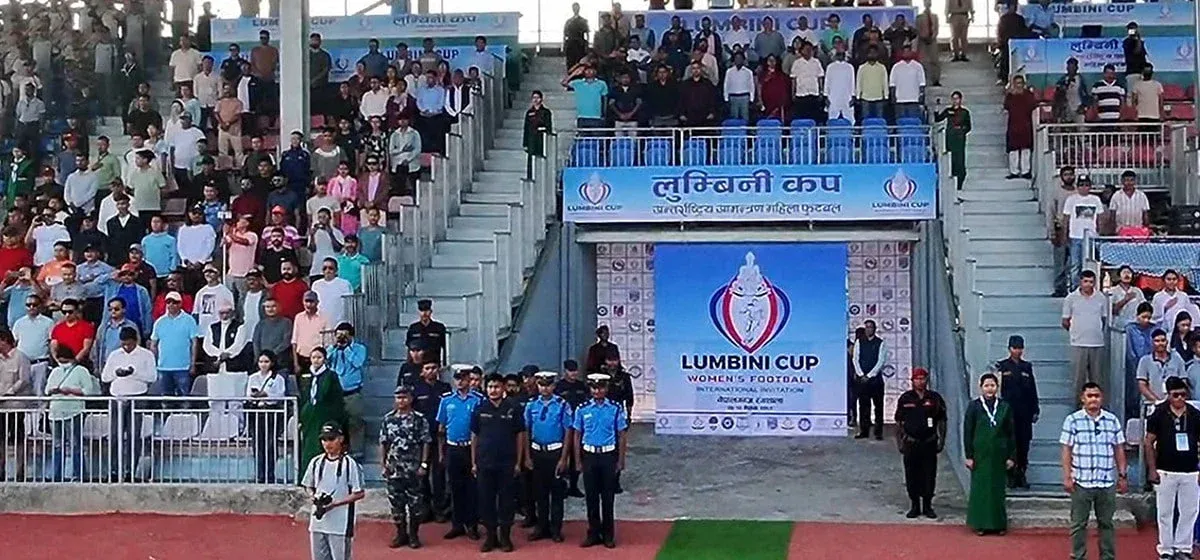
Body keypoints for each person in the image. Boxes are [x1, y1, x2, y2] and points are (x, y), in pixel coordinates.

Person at [1060, 382, 1127, 560]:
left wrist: (1122, 475)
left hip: (1105, 481)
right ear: (1082, 398)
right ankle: (1078, 556)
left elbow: (1119, 448)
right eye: (1089, 396)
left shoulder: (1112, 420)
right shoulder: (1072, 420)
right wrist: (1067, 476)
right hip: (1081, 481)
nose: (1093, 399)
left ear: (1101, 398)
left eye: (1096, 396)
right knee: (1078, 524)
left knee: (1107, 524)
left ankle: (1107, 556)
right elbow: (1066, 450)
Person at [1145, 377, 1200, 559]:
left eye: (1183, 395)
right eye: (1176, 395)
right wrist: (1152, 469)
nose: (1180, 398)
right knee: (1165, 512)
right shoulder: (1159, 413)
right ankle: (1166, 549)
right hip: (1165, 470)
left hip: (1191, 470)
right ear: (1168, 395)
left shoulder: (1194, 414)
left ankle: (1183, 547)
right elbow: (1148, 442)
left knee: (1189, 511)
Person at [470, 372, 526, 552]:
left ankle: (505, 537)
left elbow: (520, 435)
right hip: (485, 462)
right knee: (486, 501)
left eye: (496, 387)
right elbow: (474, 436)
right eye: (490, 387)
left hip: (506, 463)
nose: (493, 390)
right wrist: (473, 462)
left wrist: (518, 462)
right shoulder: (480, 408)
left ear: (503, 388)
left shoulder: (513, 408)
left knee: (506, 501)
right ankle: (490, 537)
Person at [574, 372, 627, 549]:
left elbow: (621, 435)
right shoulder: (582, 409)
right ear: (590, 389)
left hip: (608, 455)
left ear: (606, 388)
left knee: (608, 497)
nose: (597, 391)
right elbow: (577, 435)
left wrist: (620, 460)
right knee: (591, 497)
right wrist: (578, 460)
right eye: (594, 388)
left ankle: (608, 534)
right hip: (589, 455)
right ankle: (593, 533)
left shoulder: (615, 408)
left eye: (601, 388)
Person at [302, 422, 365, 560]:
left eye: (331, 439)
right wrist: (313, 497)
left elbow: (359, 493)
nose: (327, 443)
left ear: (341, 439)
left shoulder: (350, 464)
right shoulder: (316, 462)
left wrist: (335, 503)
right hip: (318, 523)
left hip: (340, 524)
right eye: (324, 439)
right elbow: (308, 485)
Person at [380, 384, 432, 550]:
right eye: (398, 397)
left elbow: (426, 442)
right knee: (396, 504)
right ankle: (401, 534)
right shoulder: (388, 419)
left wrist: (423, 464)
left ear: (410, 399)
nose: (401, 400)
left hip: (413, 468)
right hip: (394, 469)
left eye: (404, 397)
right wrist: (383, 464)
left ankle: (414, 535)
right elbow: (384, 443)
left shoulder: (419, 419)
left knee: (415, 505)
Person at [101, 326, 156, 482]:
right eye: (124, 344)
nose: (126, 347)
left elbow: (152, 377)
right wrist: (116, 373)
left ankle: (130, 471)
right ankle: (113, 471)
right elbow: (105, 377)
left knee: (133, 436)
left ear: (136, 340)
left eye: (129, 344)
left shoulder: (146, 355)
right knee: (114, 436)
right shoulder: (114, 355)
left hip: (137, 397)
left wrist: (134, 373)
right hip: (117, 397)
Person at [964, 372, 1016, 536]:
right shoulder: (974, 406)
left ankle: (998, 524)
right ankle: (980, 524)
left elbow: (1011, 433)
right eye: (986, 385)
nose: (989, 389)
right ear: (981, 387)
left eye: (992, 385)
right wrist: (969, 455)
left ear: (997, 387)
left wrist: (1011, 456)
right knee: (981, 489)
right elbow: (968, 431)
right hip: (980, 455)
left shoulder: (1004, 407)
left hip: (999, 454)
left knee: (997, 490)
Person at [524, 371, 573, 542]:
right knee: (540, 492)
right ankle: (541, 526)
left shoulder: (562, 405)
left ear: (553, 386)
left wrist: (564, 458)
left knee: (557, 493)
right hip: (537, 452)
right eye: (541, 385)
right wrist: (527, 456)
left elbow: (568, 431)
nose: (544, 388)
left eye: (548, 385)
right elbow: (526, 430)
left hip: (555, 451)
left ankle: (556, 529)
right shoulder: (531, 405)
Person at [437, 364, 484, 541]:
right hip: (453, 447)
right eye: (457, 379)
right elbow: (441, 428)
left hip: (471, 448)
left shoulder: (478, 400)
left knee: (472, 488)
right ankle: (457, 524)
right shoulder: (446, 400)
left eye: (463, 379)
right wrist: (441, 452)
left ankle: (472, 524)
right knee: (455, 487)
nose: (460, 382)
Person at [894, 367, 947, 519]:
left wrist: (942, 440)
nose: (920, 381)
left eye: (922, 378)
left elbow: (942, 420)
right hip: (911, 443)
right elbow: (898, 422)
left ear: (927, 380)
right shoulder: (905, 398)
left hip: (929, 442)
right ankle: (915, 505)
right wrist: (900, 442)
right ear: (912, 381)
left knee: (929, 474)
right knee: (912, 474)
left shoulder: (935, 398)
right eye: (917, 379)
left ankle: (928, 505)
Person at [45, 345, 97, 482]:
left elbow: (88, 391)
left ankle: (79, 475)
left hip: (74, 411)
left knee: (75, 444)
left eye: (65, 361)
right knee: (57, 445)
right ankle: (56, 475)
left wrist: (70, 391)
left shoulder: (81, 371)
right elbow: (46, 390)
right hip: (55, 412)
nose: (62, 363)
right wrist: (54, 390)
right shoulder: (55, 371)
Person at [996, 335, 1039, 489]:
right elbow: (998, 391)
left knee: (1023, 444)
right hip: (1008, 412)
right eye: (1015, 348)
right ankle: (1010, 475)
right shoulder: (1002, 366)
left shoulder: (1026, 367)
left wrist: (1035, 409)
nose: (1018, 351)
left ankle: (1021, 473)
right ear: (1009, 349)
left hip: (1024, 412)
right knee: (1009, 444)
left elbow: (1032, 389)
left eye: (1020, 348)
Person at [411, 357, 450, 521]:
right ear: (422, 371)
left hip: (440, 437)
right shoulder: (416, 389)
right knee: (422, 475)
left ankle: (440, 509)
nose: (431, 371)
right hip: (421, 439)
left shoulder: (445, 388)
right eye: (427, 368)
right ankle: (425, 509)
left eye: (434, 367)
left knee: (439, 474)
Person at [299, 346, 347, 475]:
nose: (316, 360)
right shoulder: (305, 376)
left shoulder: (331, 375)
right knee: (308, 448)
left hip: (325, 416)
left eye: (319, 357)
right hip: (309, 418)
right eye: (313, 357)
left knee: (323, 446)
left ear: (324, 359)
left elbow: (336, 399)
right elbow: (303, 397)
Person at [1063, 271, 1109, 394]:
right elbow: (1065, 321)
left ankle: (1097, 403)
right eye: (1086, 281)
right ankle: (1078, 404)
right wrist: (1076, 331)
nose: (1088, 284)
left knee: (1097, 379)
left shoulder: (1101, 297)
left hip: (1097, 343)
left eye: (1091, 282)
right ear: (1080, 282)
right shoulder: (1071, 298)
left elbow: (1104, 318)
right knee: (1078, 380)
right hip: (1078, 343)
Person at [326, 323, 367, 460]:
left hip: (352, 393)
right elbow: (325, 361)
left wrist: (347, 349)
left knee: (355, 423)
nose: (341, 337)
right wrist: (335, 348)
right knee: (335, 424)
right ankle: (337, 452)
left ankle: (357, 454)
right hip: (335, 395)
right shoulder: (332, 349)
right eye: (338, 335)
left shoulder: (359, 348)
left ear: (351, 336)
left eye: (344, 335)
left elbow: (358, 363)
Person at [150, 291, 199, 399]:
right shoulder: (159, 322)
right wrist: (155, 363)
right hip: (163, 367)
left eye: (174, 302)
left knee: (184, 398)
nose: (171, 305)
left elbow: (194, 343)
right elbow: (153, 345)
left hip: (183, 367)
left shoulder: (189, 320)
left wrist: (192, 364)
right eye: (168, 302)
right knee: (166, 399)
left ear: (180, 304)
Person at [0, 327, 31, 480]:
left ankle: (20, 472)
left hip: (16, 405)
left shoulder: (20, 357)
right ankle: (1, 470)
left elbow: (24, 379)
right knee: (0, 439)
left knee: (18, 438)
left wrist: (10, 392)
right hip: (1, 407)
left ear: (5, 340)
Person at [853, 319, 889, 440]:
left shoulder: (880, 343)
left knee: (878, 407)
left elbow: (881, 361)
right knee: (863, 406)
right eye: (867, 327)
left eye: (871, 327)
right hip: (862, 379)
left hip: (875, 380)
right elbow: (855, 359)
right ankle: (864, 431)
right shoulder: (859, 342)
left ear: (875, 329)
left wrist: (869, 375)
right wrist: (861, 374)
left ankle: (878, 432)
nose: (868, 329)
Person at [1003, 75, 1038, 180]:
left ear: (1024, 84)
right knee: (1013, 150)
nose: (1018, 86)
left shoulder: (1028, 95)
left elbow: (1033, 105)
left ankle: (1025, 171)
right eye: (1016, 83)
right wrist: (1009, 93)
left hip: (1026, 125)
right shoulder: (1010, 96)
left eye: (1020, 83)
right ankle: (1014, 171)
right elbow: (1006, 106)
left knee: (1026, 149)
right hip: (1013, 126)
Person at [935, 91, 971, 190]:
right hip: (950, 138)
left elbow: (968, 127)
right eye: (953, 99)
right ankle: (952, 184)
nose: (955, 101)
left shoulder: (965, 112)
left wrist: (961, 130)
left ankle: (959, 185)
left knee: (960, 162)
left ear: (960, 99)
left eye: (957, 98)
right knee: (951, 162)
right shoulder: (948, 111)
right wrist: (937, 108)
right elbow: (938, 119)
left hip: (960, 140)